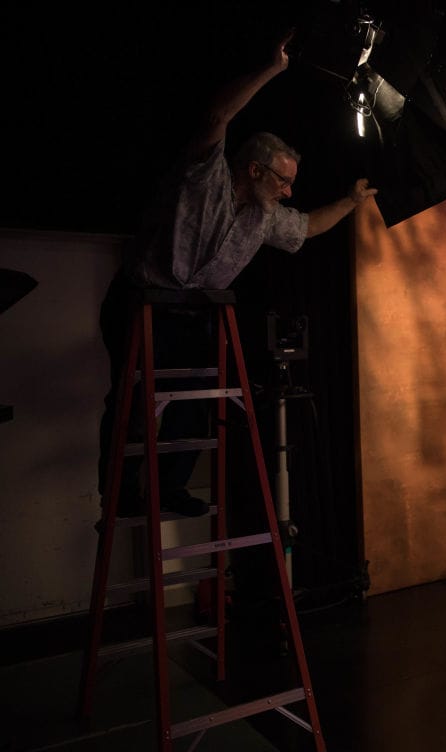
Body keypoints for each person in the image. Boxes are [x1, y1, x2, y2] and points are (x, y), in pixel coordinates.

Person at [98, 31, 378, 516]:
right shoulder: (204, 177)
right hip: (141, 298)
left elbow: (308, 227)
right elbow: (217, 117)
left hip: (193, 311)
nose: (289, 191)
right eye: (283, 180)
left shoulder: (265, 215)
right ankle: (120, 493)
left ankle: (168, 488)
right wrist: (273, 69)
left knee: (191, 402)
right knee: (135, 400)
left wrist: (351, 203)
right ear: (253, 170)